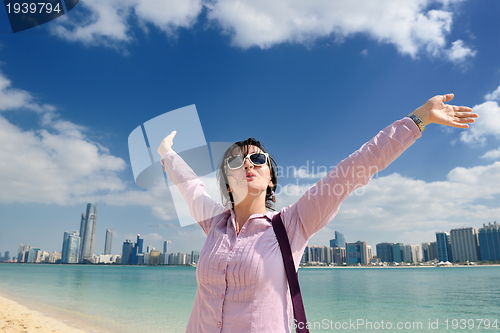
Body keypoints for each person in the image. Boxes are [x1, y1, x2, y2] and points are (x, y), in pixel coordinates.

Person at [157, 94, 477, 333]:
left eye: (257, 160)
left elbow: (352, 170)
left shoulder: (293, 223)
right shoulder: (214, 223)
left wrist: (418, 118)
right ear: (227, 180)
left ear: (271, 177)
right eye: (236, 162)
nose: (247, 166)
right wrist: (166, 154)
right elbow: (189, 185)